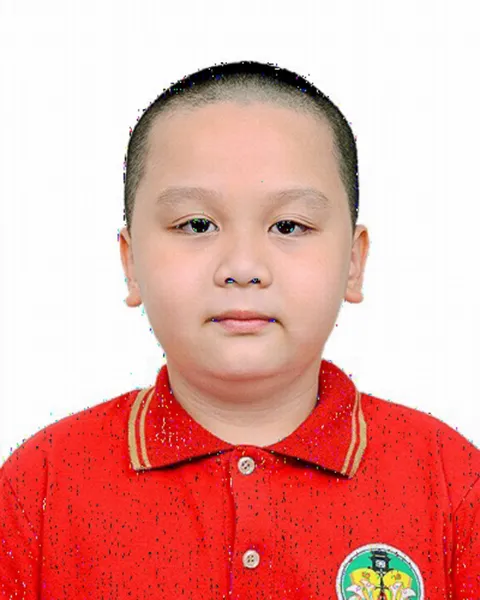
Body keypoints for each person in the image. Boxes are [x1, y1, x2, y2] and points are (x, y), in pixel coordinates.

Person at [1, 60, 478, 599]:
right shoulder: (40, 483)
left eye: (289, 226)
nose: (243, 267)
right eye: (197, 225)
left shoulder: (448, 478)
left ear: (353, 261)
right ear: (131, 262)